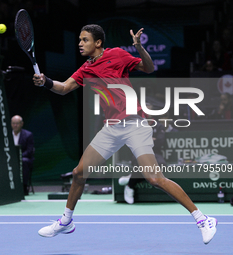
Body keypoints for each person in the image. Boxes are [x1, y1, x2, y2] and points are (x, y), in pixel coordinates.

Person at [33, 24, 217, 244]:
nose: (80, 43)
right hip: (111, 128)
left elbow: (148, 68)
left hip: (134, 124)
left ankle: (203, 219)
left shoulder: (117, 55)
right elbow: (63, 88)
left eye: (85, 40)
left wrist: (139, 47)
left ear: (98, 42)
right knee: (78, 173)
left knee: (154, 178)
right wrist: (46, 82)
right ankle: (66, 221)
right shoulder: (86, 69)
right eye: (80, 40)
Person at [118, 103, 166, 204]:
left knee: (162, 165)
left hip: (155, 153)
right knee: (141, 165)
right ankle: (130, 187)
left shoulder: (159, 125)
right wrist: (151, 140)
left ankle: (131, 178)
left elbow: (160, 142)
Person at [11, 115, 34, 195]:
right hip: (9, 159)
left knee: (24, 162)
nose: (15, 125)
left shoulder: (28, 135)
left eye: (17, 123)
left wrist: (18, 157)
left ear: (22, 124)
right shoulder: (7, 136)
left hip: (24, 158)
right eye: (13, 123)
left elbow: (29, 151)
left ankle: (24, 187)